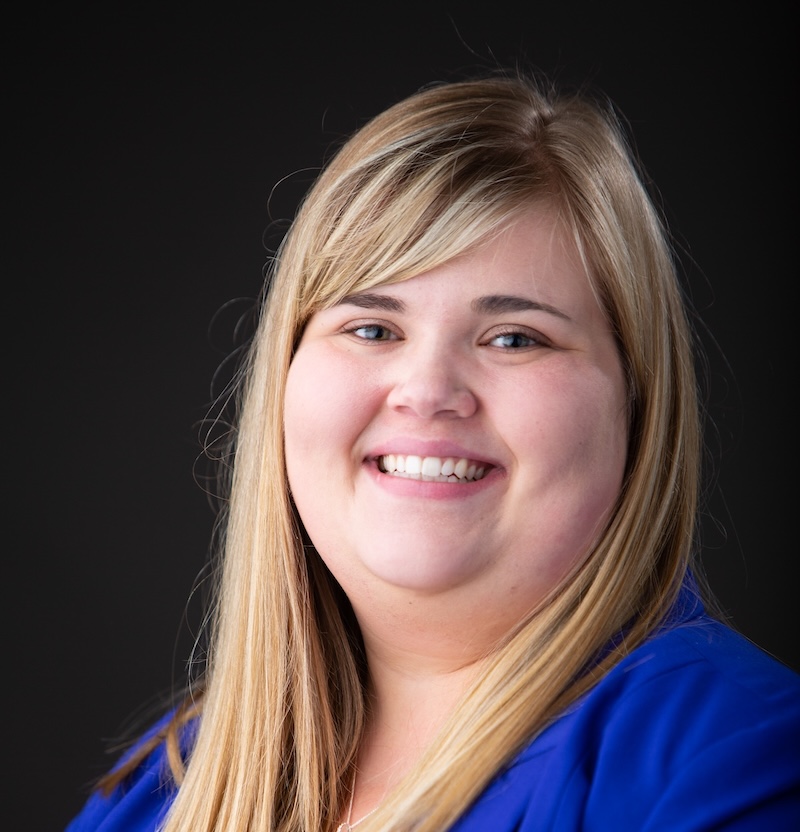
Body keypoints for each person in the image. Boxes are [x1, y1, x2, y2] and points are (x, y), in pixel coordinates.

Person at [65, 70, 800, 832]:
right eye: (373, 328)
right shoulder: (164, 786)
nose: (427, 390)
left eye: (515, 338)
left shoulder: (738, 765)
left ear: (638, 403)